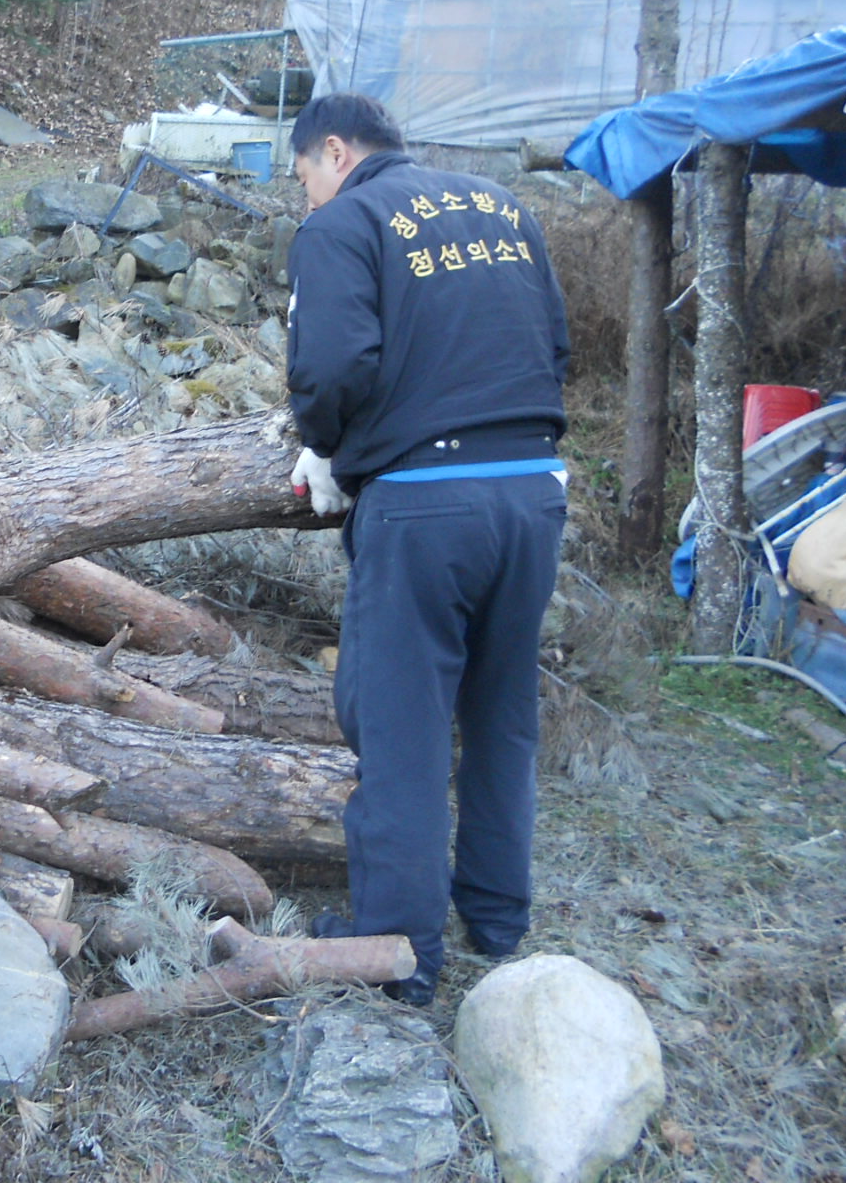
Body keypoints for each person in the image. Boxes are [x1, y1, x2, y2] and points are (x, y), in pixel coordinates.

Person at [284, 93, 570, 1006]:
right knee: (500, 710)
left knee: (400, 727)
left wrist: (324, 445)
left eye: (304, 177)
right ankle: (497, 914)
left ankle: (399, 950)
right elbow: (555, 345)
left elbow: (332, 364)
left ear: (335, 151)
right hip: (533, 491)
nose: (306, 197)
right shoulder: (501, 207)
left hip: (423, 504)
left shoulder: (343, 225)